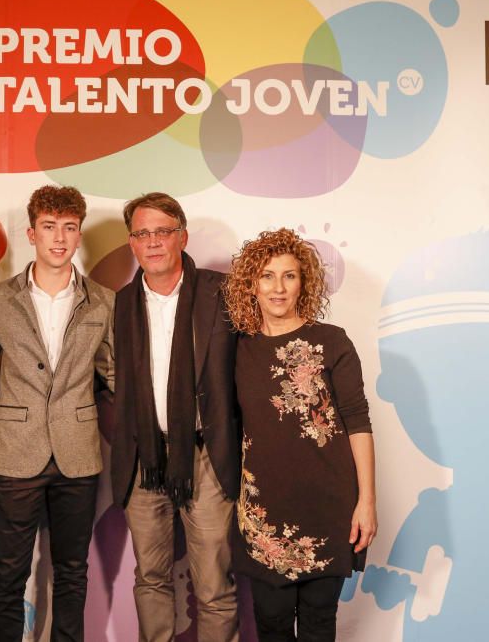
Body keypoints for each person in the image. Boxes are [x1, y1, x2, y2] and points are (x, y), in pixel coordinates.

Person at [222, 227, 376, 641]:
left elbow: (357, 421)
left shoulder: (332, 342)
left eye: (289, 275)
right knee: (271, 625)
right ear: (251, 285)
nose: (278, 287)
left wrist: (367, 502)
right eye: (267, 276)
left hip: (329, 506)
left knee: (319, 623)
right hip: (264, 512)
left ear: (302, 283)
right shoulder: (236, 349)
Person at [0, 185, 114, 642]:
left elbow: (115, 375)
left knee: (72, 573)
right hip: (17, 452)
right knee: (8, 576)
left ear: (79, 236)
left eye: (69, 228)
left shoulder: (103, 302)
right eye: (50, 227)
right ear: (32, 233)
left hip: (78, 453)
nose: (59, 238)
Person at [110, 192, 240, 641]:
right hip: (144, 459)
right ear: (131, 243)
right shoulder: (120, 304)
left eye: (162, 231)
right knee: (151, 578)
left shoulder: (222, 292)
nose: (153, 242)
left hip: (206, 456)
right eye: (142, 233)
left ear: (181, 236)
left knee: (213, 587)